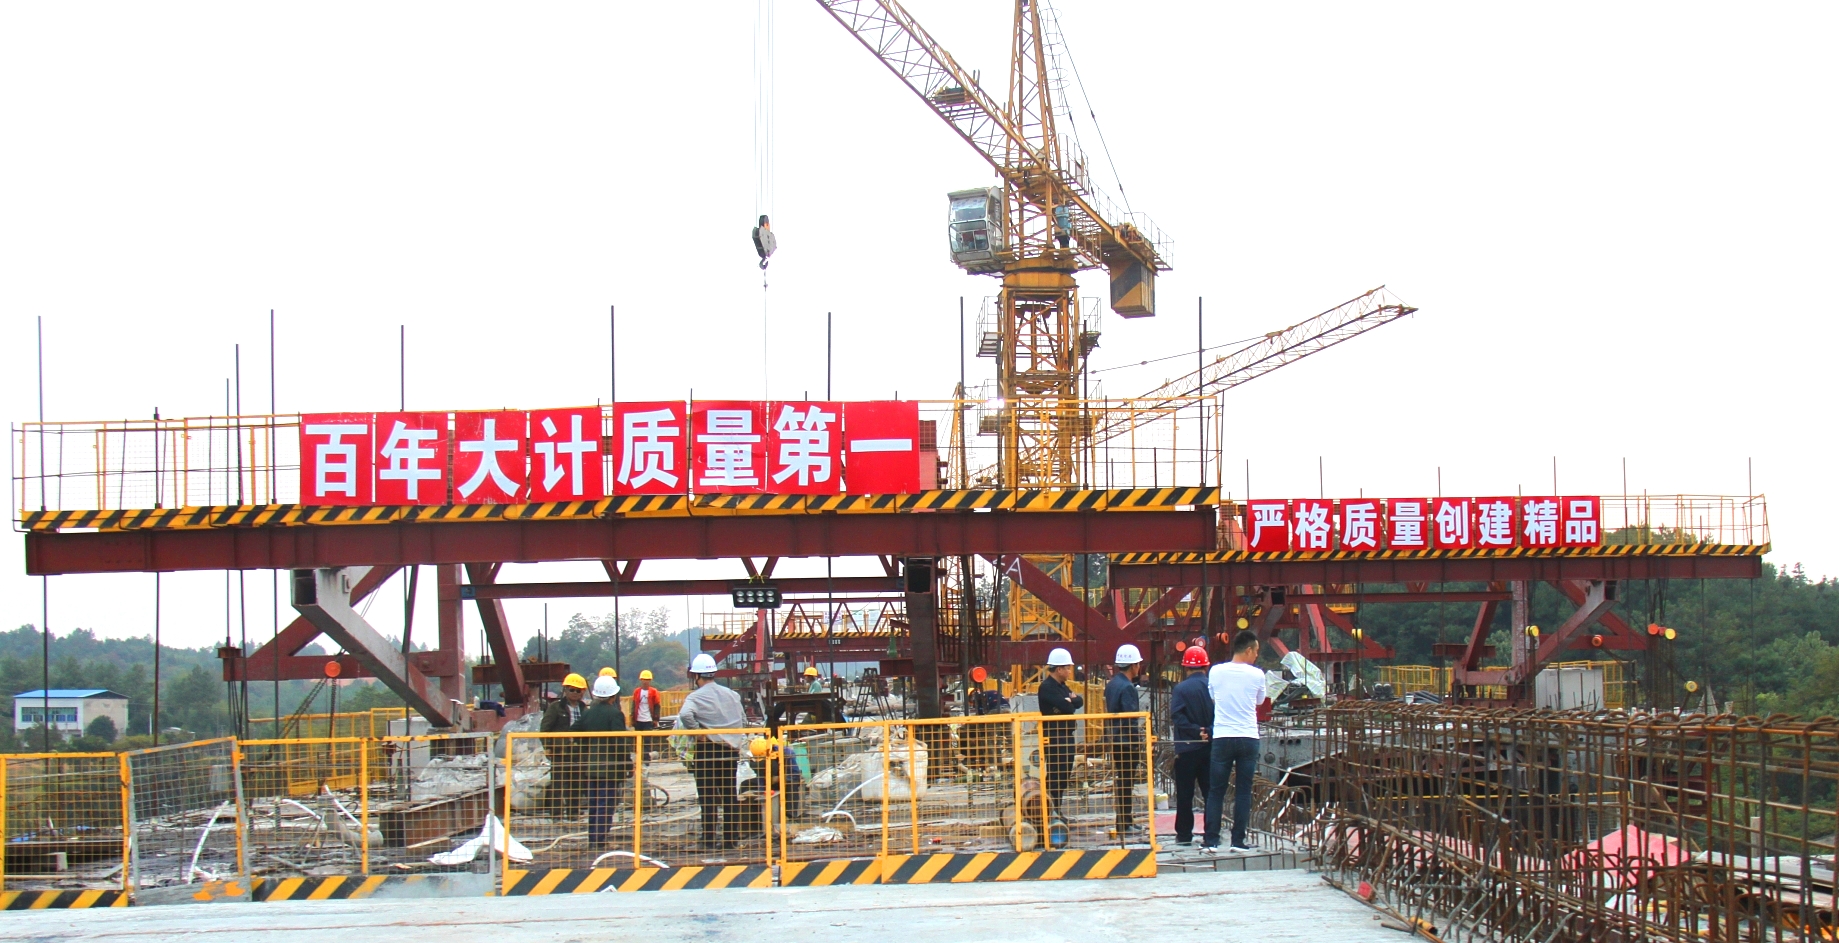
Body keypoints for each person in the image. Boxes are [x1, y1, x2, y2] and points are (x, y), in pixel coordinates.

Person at [1203, 630, 1269, 855]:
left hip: (1222, 736)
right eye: (1256, 651)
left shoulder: (1216, 671)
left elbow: (1213, 698)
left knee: (1216, 791)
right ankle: (1237, 841)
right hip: (1248, 737)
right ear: (1248, 650)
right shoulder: (1257, 674)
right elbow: (1259, 701)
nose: (1256, 656)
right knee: (1243, 791)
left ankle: (1211, 841)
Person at [676, 653, 749, 853]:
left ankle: (708, 840)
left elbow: (685, 714)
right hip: (730, 750)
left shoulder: (695, 697)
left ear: (696, 676)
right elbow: (743, 720)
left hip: (707, 749)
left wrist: (698, 732)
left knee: (707, 796)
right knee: (729, 795)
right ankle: (730, 840)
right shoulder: (732, 695)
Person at [571, 675, 632, 847]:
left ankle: (593, 839)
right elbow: (620, 743)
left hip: (591, 768)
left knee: (594, 804)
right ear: (613, 695)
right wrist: (628, 763)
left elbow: (574, 730)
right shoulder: (615, 714)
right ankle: (600, 839)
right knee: (606, 805)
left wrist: (586, 746)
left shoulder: (588, 713)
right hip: (610, 769)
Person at [1169, 646, 1214, 846]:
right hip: (1210, 748)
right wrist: (1208, 731)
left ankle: (1184, 835)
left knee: (1185, 794)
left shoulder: (1180, 689)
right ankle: (1211, 833)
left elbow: (1177, 716)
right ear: (1206, 666)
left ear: (1185, 667)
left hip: (1186, 749)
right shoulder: (1213, 687)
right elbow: (1222, 714)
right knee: (1211, 793)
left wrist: (1195, 731)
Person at [1104, 644, 1147, 840]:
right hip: (1127, 742)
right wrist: (1138, 741)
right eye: (1138, 664)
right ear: (1133, 665)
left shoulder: (1112, 684)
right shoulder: (1128, 687)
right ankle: (1124, 823)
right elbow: (1131, 718)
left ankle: (1124, 820)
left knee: (1122, 781)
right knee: (1126, 783)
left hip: (1116, 740)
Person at [1037, 647, 1084, 813]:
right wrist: (1068, 702)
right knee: (1056, 775)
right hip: (1055, 736)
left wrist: (1069, 701)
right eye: (1068, 668)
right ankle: (1051, 811)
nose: (1070, 671)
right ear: (1059, 669)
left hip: (1066, 735)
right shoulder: (1047, 687)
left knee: (1064, 774)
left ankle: (1056, 810)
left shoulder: (1062, 687)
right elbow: (1068, 707)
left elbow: (1079, 702)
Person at [541, 673, 589, 816]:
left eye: (578, 690)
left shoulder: (584, 709)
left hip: (578, 752)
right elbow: (545, 728)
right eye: (571, 689)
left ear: (583, 692)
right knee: (558, 784)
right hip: (560, 752)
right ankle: (556, 814)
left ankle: (573, 813)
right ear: (565, 690)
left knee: (576, 784)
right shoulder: (555, 707)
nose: (574, 693)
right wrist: (548, 747)